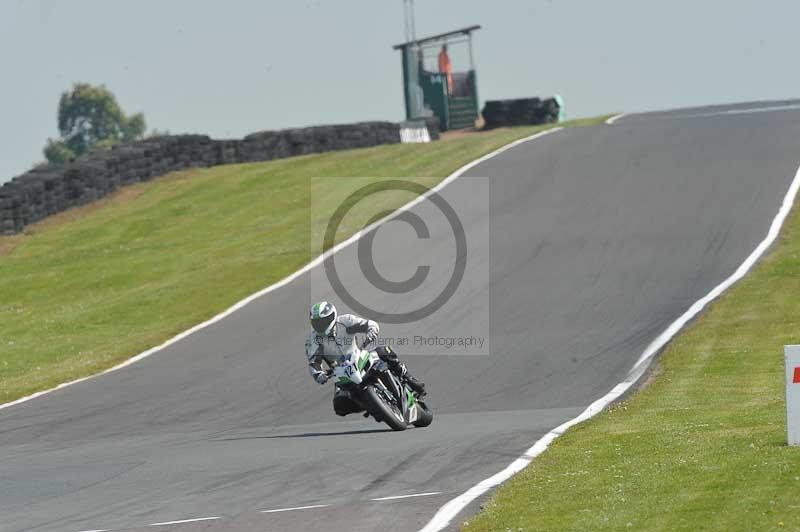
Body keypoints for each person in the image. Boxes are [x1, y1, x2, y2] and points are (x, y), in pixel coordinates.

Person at [305, 301, 426, 417]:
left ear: (332, 317)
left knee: (383, 350)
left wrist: (371, 331)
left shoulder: (345, 321)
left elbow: (368, 324)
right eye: (316, 323)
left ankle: (409, 379)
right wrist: (319, 375)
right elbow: (313, 362)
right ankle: (372, 406)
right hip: (340, 372)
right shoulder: (313, 340)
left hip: (359, 357)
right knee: (340, 405)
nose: (320, 325)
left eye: (323, 321)